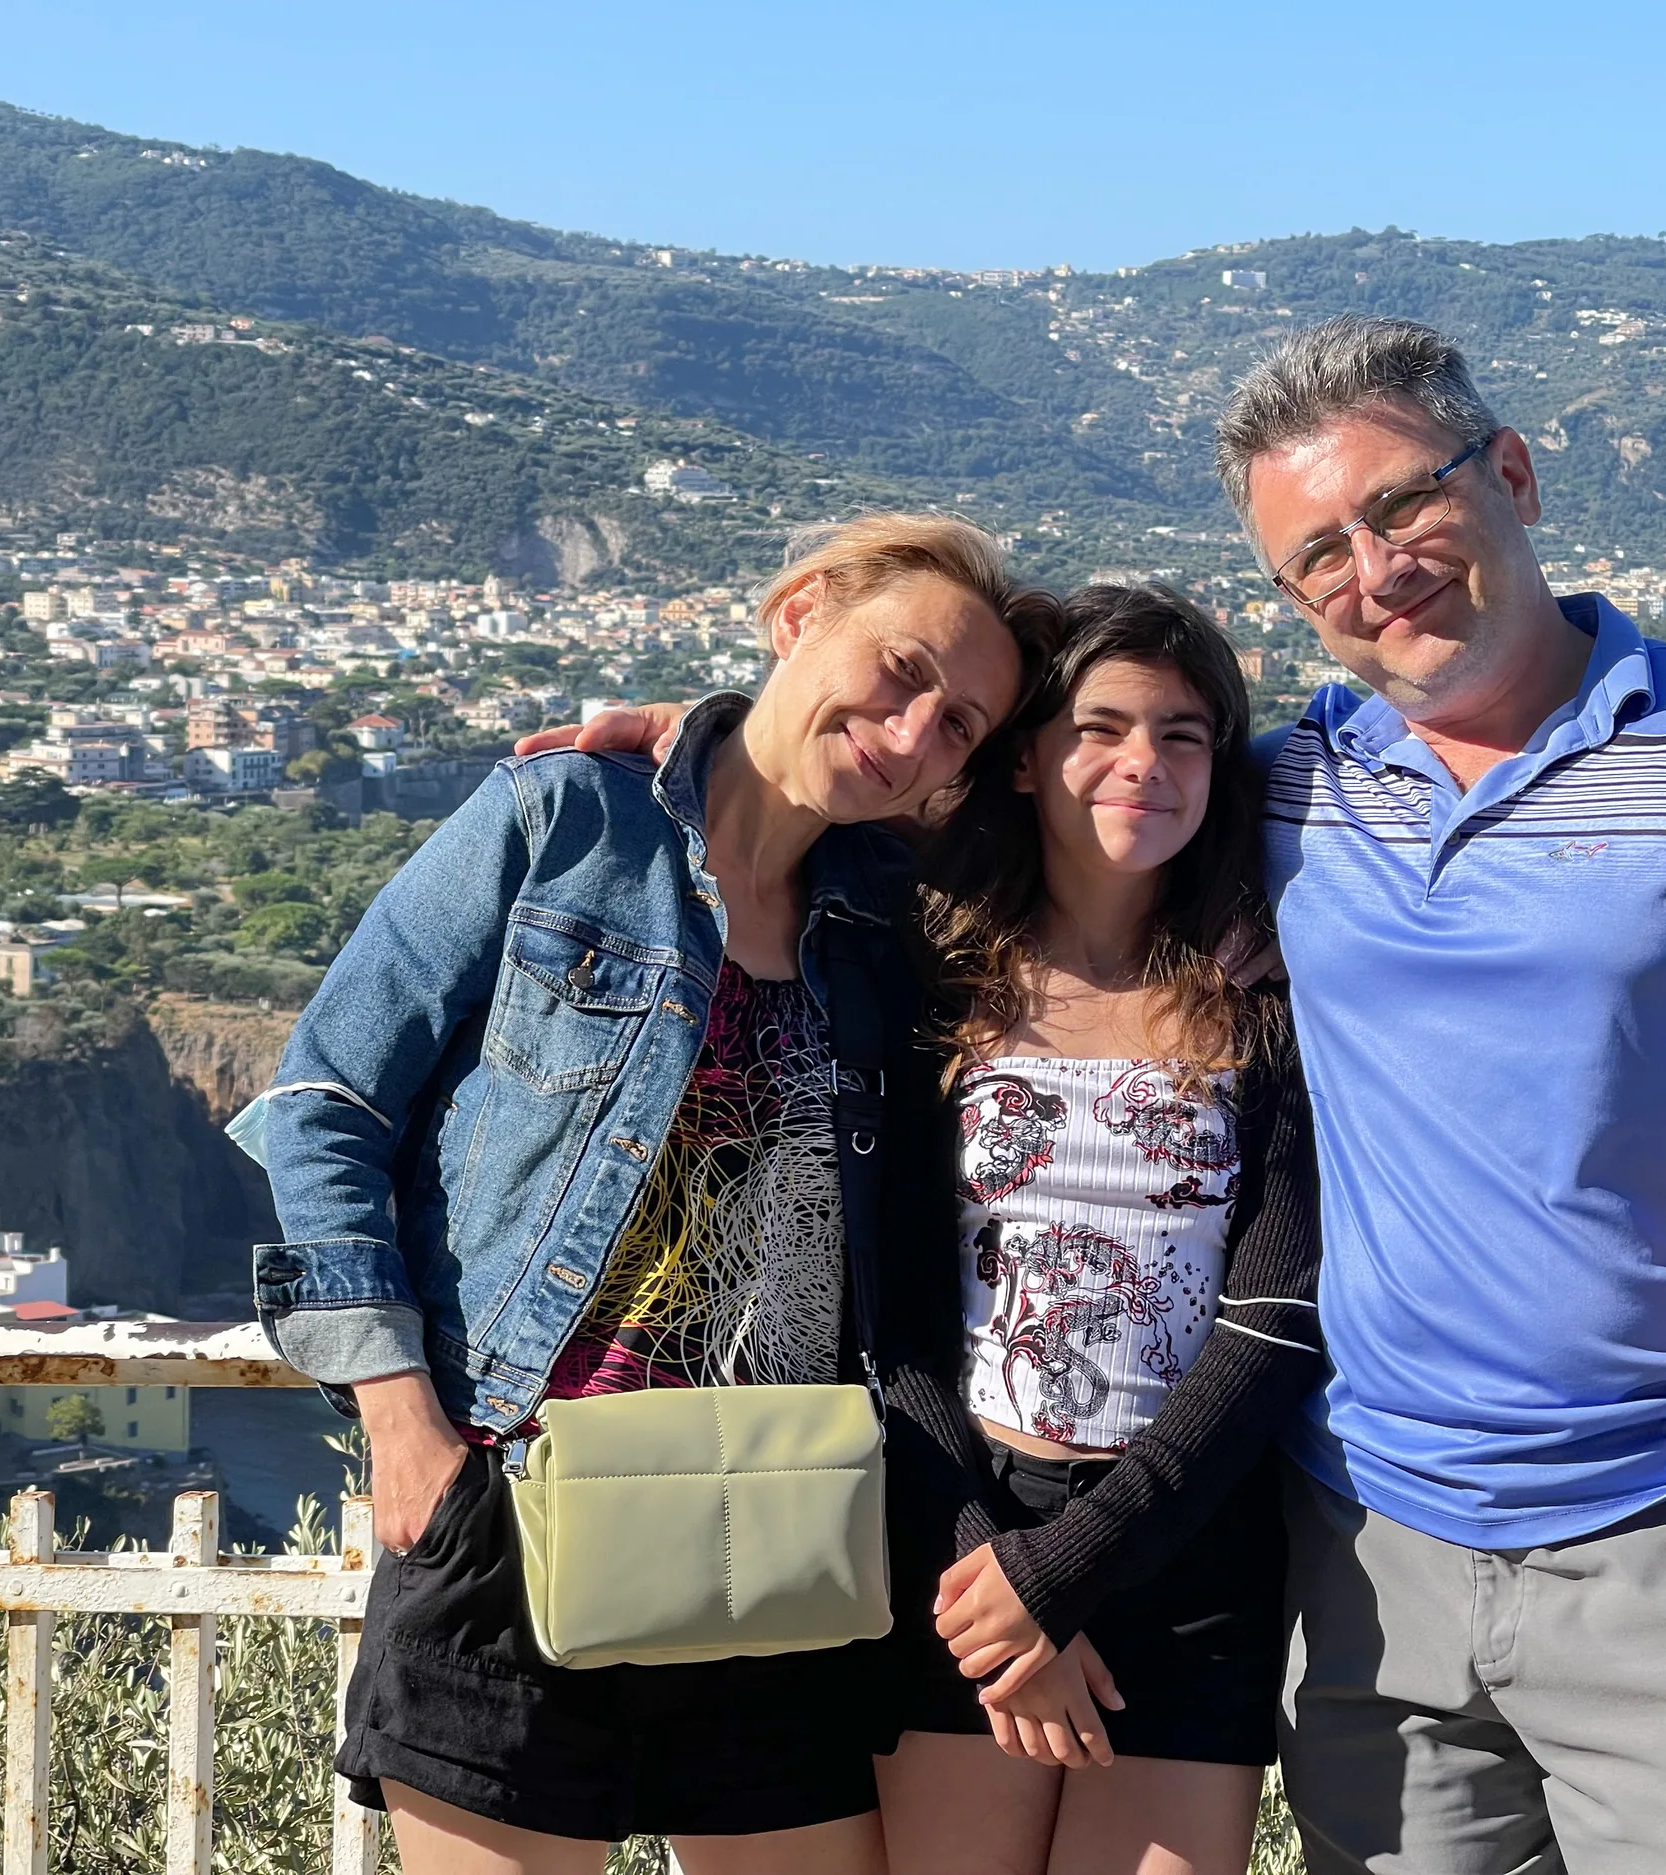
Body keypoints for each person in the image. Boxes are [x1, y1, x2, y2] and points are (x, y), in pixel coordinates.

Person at [555, 316, 1666, 1874]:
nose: (1375, 569)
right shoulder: (1300, 785)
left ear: (1512, 473)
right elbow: (975, 780)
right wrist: (703, 751)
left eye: (1403, 505)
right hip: (1371, 1555)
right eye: (1318, 556)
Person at [243, 513, 1059, 1875]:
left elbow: (1122, 789)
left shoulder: (889, 921)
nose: (917, 731)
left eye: (962, 723)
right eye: (901, 669)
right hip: (510, 1510)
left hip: (781, 1542)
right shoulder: (563, 822)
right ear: (799, 611)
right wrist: (398, 1416)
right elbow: (323, 1106)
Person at [876, 583, 1325, 1875]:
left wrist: (1075, 1565)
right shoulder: (929, 977)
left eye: (1184, 733)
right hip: (964, 1533)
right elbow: (894, 1307)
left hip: (1192, 1535)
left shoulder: (1261, 995)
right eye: (1101, 727)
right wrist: (1002, 1575)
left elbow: (1277, 1306)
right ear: (1025, 755)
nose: (1145, 763)